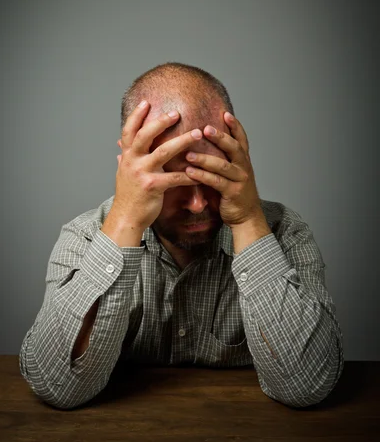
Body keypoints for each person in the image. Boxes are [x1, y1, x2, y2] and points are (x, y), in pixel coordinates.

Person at [19, 62, 344, 410]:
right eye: (174, 180)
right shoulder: (85, 237)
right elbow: (58, 387)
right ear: (131, 164)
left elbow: (306, 386)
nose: (197, 203)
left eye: (213, 175)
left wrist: (248, 219)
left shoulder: (284, 233)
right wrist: (126, 219)